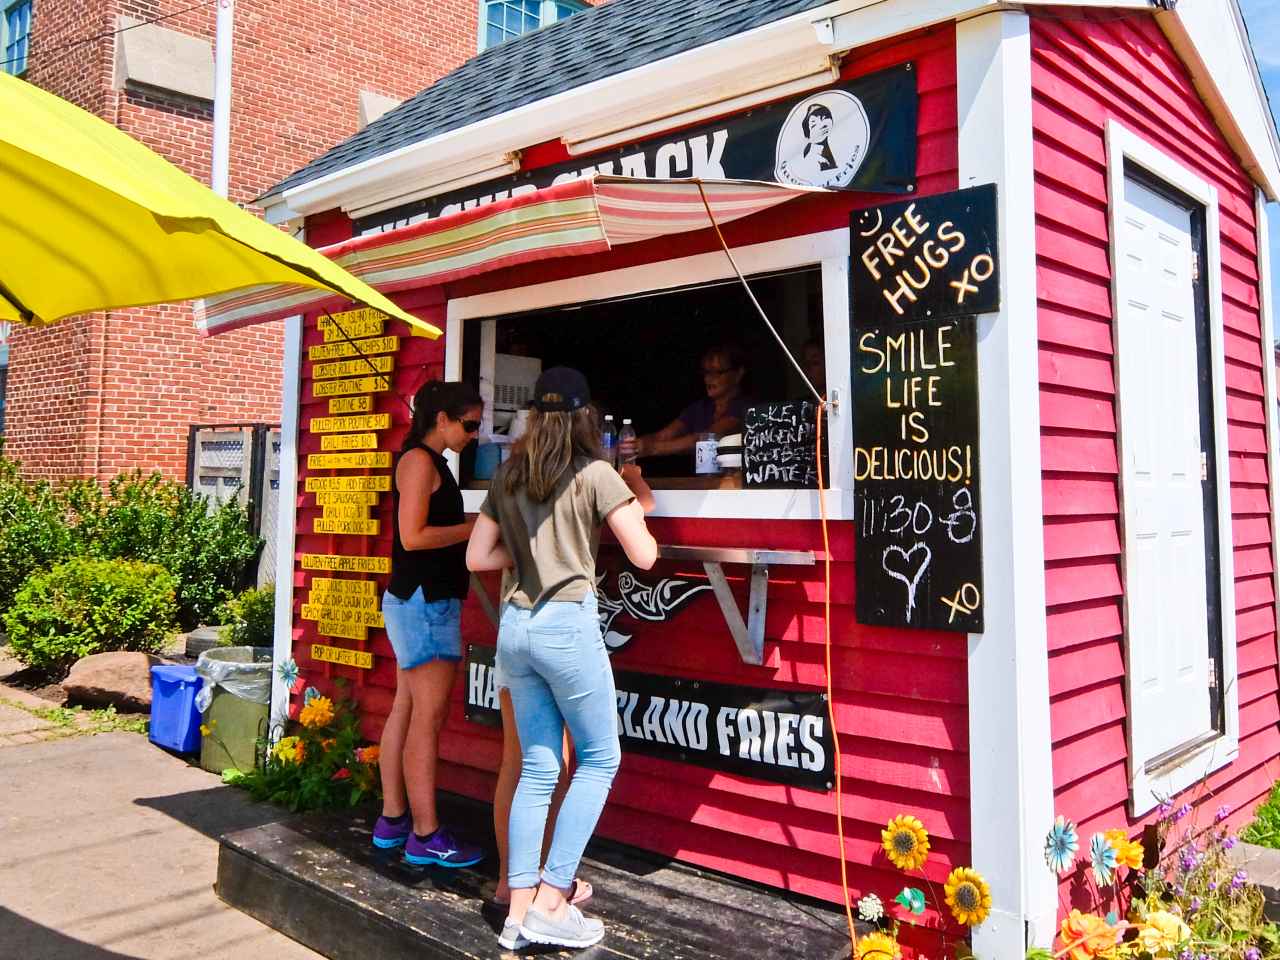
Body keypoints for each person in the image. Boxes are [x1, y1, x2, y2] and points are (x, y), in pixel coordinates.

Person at [468, 366, 657, 951]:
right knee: (599, 759)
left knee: (539, 768)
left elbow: (478, 556)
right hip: (566, 626)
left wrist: (531, 553)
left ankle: (517, 912)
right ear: (585, 418)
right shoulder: (598, 474)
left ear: (533, 417)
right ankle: (553, 900)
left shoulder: (508, 474)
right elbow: (644, 555)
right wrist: (638, 494)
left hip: (516, 628)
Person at [371, 380, 485, 869]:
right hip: (425, 603)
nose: (475, 434)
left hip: (415, 602)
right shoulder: (419, 462)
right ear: (442, 419)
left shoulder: (429, 462)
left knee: (405, 709)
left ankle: (393, 819)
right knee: (426, 719)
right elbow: (413, 537)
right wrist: (477, 526)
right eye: (470, 424)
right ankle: (426, 834)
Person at [621, 344, 750, 462]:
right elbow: (663, 436)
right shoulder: (699, 408)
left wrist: (651, 448)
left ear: (738, 373)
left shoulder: (746, 407)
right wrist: (635, 444)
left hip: (736, 484)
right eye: (706, 372)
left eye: (717, 372)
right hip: (703, 483)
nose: (708, 378)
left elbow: (704, 439)